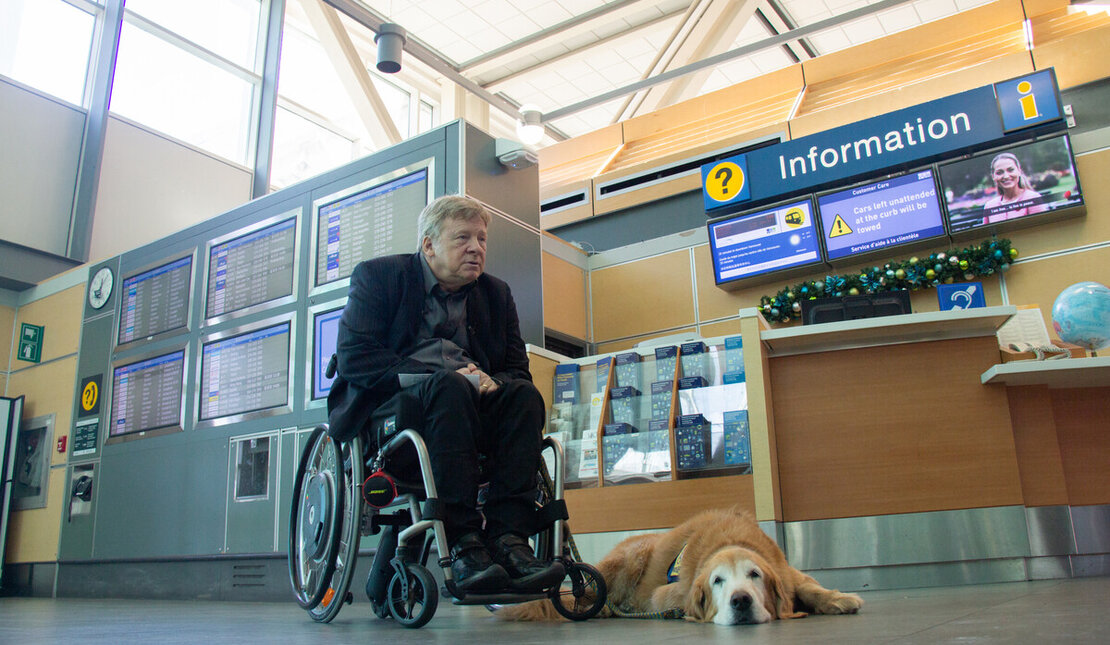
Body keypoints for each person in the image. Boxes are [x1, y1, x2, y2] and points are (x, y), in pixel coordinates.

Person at [327, 194, 563, 594]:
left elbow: (515, 369)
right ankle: (464, 542)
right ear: (429, 245)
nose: (476, 248)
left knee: (523, 396)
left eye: (482, 239)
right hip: (397, 417)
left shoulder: (496, 294)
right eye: (463, 238)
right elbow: (356, 358)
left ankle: (509, 539)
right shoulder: (378, 277)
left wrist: (492, 381)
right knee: (451, 386)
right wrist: (439, 376)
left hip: (470, 412)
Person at [982, 152, 1045, 223]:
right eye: (999, 172)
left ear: (1019, 171)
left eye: (1010, 170)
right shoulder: (989, 206)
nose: (1006, 176)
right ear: (993, 177)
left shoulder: (1033, 198)